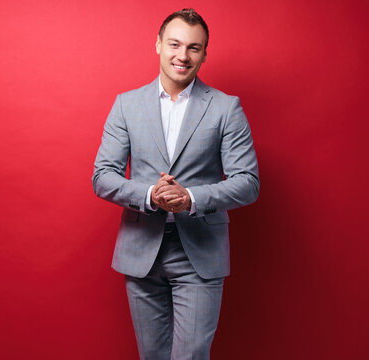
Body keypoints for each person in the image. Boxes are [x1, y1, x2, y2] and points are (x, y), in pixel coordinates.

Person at [92, 8, 259, 360]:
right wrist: (150, 194)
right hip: (142, 251)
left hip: (199, 251)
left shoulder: (226, 108)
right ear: (158, 45)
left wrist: (191, 198)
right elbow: (102, 176)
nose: (182, 56)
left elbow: (248, 182)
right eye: (175, 44)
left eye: (194, 48)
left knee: (191, 356)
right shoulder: (126, 105)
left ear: (204, 54)